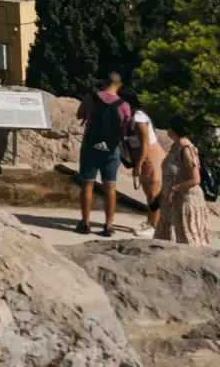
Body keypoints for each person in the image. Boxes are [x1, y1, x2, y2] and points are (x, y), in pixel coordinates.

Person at [76, 72, 132, 237]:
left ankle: (85, 224)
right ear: (119, 85)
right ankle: (108, 226)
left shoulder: (91, 98)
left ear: (104, 83)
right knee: (110, 186)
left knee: (87, 185)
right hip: (111, 149)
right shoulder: (124, 105)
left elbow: (80, 114)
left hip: (90, 146)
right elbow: (126, 127)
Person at [156, 115, 212, 245]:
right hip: (171, 201)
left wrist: (175, 189)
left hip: (186, 200)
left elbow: (195, 179)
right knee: (164, 238)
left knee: (187, 239)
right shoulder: (175, 146)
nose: (167, 130)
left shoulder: (186, 149)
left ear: (173, 130)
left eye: (168, 127)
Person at [120, 88, 164, 239]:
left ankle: (155, 226)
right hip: (144, 155)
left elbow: (145, 143)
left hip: (149, 155)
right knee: (148, 192)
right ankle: (150, 221)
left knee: (153, 192)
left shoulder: (139, 118)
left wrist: (138, 165)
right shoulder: (133, 116)